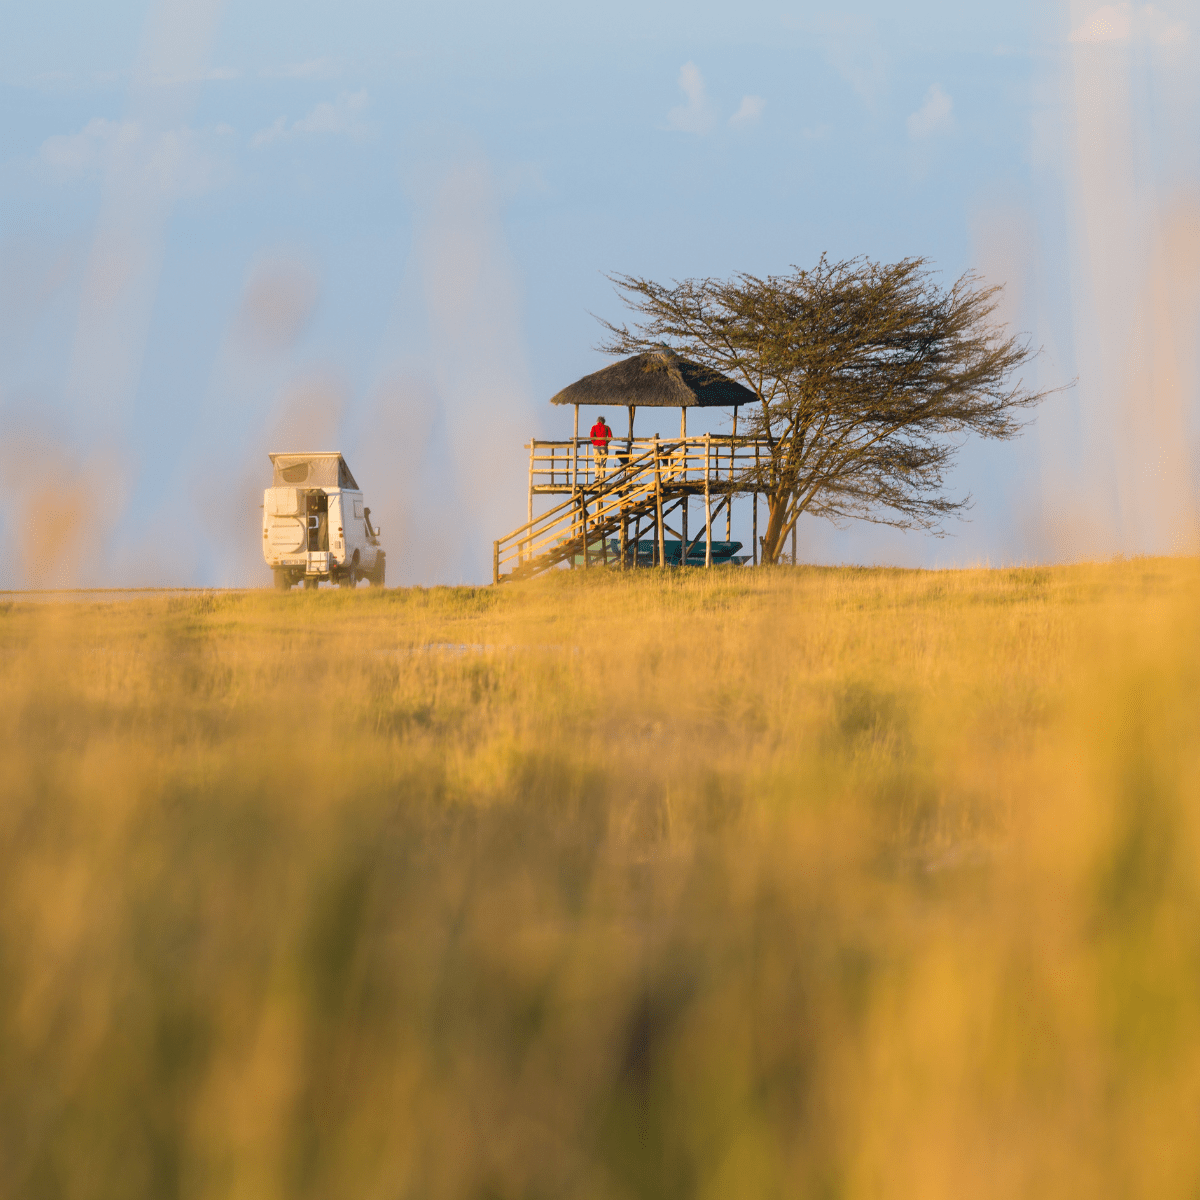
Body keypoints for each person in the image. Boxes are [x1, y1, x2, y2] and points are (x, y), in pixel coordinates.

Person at [590, 414, 613, 482]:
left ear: (597, 421)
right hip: (604, 446)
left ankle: (597, 477)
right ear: (604, 421)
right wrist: (606, 442)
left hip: (596, 446)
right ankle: (602, 478)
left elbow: (591, 436)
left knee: (597, 462)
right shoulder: (607, 427)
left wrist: (594, 442)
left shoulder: (594, 427)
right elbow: (610, 437)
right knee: (603, 462)